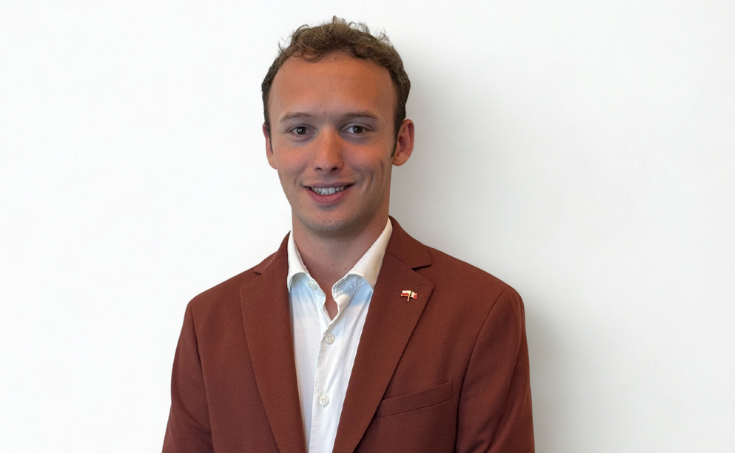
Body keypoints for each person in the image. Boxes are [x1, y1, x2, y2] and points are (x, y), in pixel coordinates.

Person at [163, 17, 534, 453]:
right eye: (300, 130)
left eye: (356, 128)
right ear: (270, 145)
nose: (326, 159)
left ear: (400, 142)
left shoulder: (480, 312)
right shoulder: (210, 324)